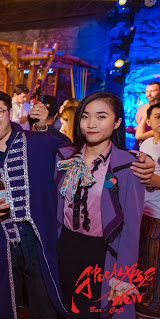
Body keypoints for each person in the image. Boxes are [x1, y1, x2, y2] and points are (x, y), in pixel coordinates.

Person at [0, 90, 69, 319]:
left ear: (10, 113)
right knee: (5, 307)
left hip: (37, 242)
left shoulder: (36, 141)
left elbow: (71, 151)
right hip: (0, 245)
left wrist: (45, 127)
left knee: (45, 306)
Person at [55, 92, 144, 319]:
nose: (91, 124)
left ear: (117, 122)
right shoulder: (64, 157)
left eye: (101, 116)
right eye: (85, 116)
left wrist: (124, 275)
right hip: (65, 246)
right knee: (68, 309)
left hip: (104, 253)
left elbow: (132, 227)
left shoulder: (127, 166)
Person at [136, 102, 160, 318]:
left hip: (159, 213)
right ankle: (145, 296)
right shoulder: (146, 145)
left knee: (155, 260)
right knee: (142, 258)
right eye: (158, 117)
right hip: (143, 210)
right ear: (150, 121)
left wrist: (156, 181)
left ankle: (154, 304)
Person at [133, 81, 160, 147]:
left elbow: (139, 136)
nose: (149, 94)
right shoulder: (141, 108)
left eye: (152, 91)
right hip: (141, 146)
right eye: (147, 91)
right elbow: (138, 127)